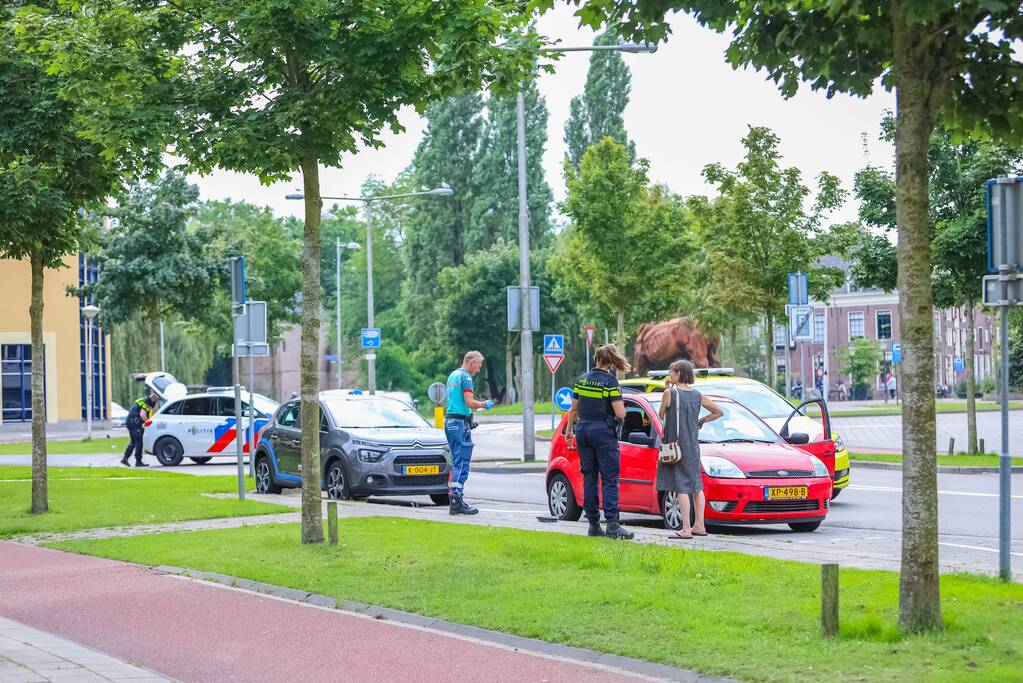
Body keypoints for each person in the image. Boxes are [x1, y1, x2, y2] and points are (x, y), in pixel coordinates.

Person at [564, 344, 634, 540]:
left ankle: (593, 525)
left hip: (582, 431)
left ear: (596, 358)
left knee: (589, 477)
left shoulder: (581, 380)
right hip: (603, 432)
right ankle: (612, 526)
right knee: (610, 479)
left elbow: (574, 410)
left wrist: (569, 431)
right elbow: (621, 413)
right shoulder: (610, 382)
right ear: (610, 362)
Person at [657, 359, 723, 540]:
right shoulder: (697, 395)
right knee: (696, 486)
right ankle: (699, 525)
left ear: (679, 374)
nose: (669, 374)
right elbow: (719, 411)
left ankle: (686, 529)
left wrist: (668, 389)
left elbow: (661, 414)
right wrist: (702, 421)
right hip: (693, 446)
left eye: (671, 372)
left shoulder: (669, 393)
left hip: (676, 446)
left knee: (681, 486)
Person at [444, 350, 495, 515]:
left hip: (450, 421)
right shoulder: (465, 378)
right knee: (462, 462)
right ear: (472, 362)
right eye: (478, 366)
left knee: (455, 461)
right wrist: (484, 404)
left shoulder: (453, 375)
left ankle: (454, 498)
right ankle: (456, 501)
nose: (478, 370)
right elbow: (469, 402)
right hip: (460, 423)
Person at [121, 393, 156, 467]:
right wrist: (148, 422)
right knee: (139, 442)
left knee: (133, 442)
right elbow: (142, 415)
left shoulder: (141, 400)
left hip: (130, 422)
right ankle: (138, 461)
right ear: (153, 401)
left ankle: (125, 459)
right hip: (135, 423)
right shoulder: (147, 402)